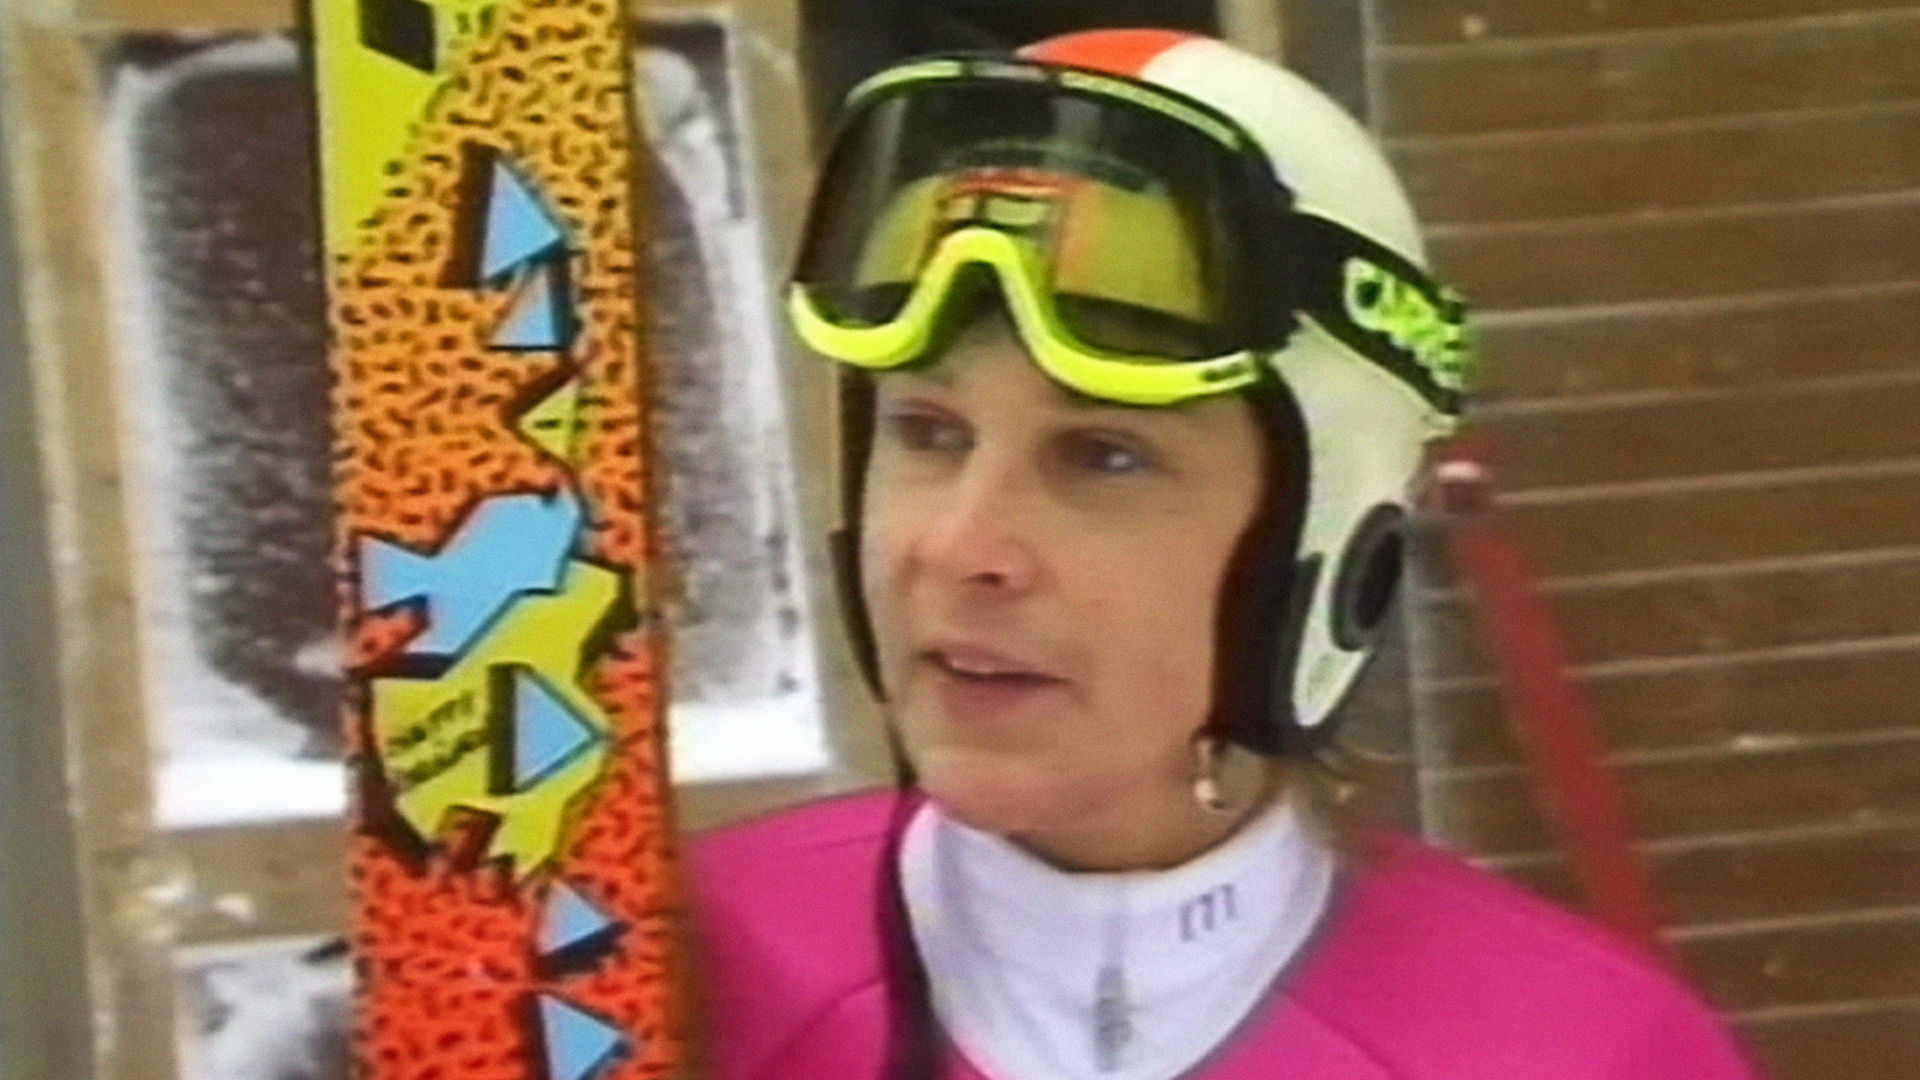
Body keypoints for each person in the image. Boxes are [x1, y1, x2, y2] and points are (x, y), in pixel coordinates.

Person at [687, 28, 1763, 1080]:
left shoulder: (1590, 1051)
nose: (961, 547)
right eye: (930, 433)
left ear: (1323, 549)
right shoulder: (668, 976)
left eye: (1103, 455)